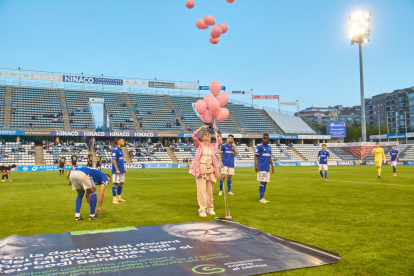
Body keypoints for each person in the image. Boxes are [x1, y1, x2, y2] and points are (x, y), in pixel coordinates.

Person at [189, 125, 222, 217]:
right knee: (202, 191)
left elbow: (220, 142)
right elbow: (194, 136)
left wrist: (216, 132)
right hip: (201, 169)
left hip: (210, 169)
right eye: (205, 134)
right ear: (202, 138)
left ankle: (210, 208)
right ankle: (202, 209)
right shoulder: (199, 145)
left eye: (208, 134)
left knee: (210, 191)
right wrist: (201, 128)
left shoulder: (212, 146)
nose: (207, 135)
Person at [254, 134, 274, 203]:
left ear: (268, 139)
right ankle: (261, 198)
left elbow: (270, 157)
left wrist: (272, 166)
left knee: (265, 182)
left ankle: (263, 197)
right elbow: (256, 156)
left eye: (266, 138)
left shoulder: (269, 147)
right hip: (261, 167)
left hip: (267, 167)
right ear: (262, 139)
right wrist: (256, 165)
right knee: (262, 181)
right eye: (264, 138)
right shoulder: (259, 146)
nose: (265, 139)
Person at [112, 137, 127, 204]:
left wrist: (124, 168)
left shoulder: (120, 150)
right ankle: (114, 198)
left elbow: (121, 160)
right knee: (116, 183)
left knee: (121, 183)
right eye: (122, 141)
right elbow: (114, 160)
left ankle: (119, 197)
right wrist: (117, 169)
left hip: (121, 170)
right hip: (117, 171)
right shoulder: (115, 150)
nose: (123, 142)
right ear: (118, 142)